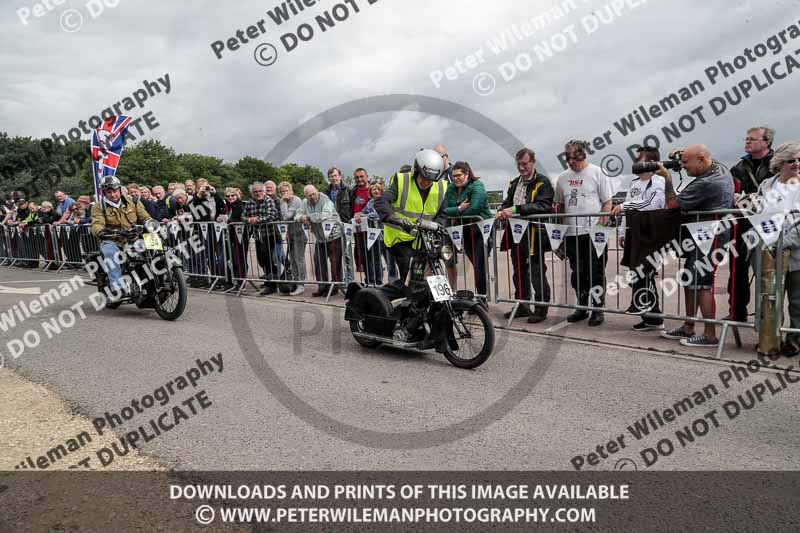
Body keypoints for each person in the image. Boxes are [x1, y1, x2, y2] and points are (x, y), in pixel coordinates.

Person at [661, 144, 735, 347]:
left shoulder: (707, 183)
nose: (683, 167)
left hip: (708, 239)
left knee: (702, 284)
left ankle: (710, 335)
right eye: (681, 162)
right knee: (690, 280)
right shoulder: (720, 168)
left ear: (701, 159)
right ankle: (688, 326)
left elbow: (672, 204)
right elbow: (701, 157)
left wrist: (667, 178)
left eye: (686, 163)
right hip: (705, 236)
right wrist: (682, 154)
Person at [555, 140, 613, 326]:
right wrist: (561, 231)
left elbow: (607, 202)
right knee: (577, 272)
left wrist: (601, 226)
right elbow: (561, 205)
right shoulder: (562, 178)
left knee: (595, 272)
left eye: (575, 158)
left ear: (583, 155)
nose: (572, 162)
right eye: (568, 158)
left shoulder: (597, 172)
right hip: (573, 234)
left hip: (594, 234)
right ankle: (581, 306)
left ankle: (597, 308)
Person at [497, 148, 555, 323]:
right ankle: (522, 305)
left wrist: (516, 209)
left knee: (537, 272)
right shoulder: (514, 183)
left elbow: (544, 205)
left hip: (534, 235)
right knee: (518, 271)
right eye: (519, 164)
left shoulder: (543, 182)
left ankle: (541, 308)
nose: (521, 167)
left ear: (533, 163)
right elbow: (507, 203)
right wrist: (502, 210)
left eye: (525, 164)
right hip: (515, 234)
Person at [612, 146, 667, 331]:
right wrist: (622, 233)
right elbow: (627, 213)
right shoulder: (635, 184)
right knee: (636, 273)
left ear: (650, 162)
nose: (635, 163)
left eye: (639, 160)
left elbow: (651, 203)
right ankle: (646, 313)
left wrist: (624, 205)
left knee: (646, 273)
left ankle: (654, 316)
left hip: (649, 234)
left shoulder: (659, 181)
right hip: (633, 233)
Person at [726, 126, 776, 323]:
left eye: (752, 139)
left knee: (767, 272)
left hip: (769, 226)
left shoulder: (778, 164)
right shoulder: (738, 167)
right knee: (737, 271)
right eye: (746, 138)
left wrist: (746, 197)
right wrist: (741, 198)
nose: (747, 142)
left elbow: (773, 194)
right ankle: (737, 312)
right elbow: (730, 193)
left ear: (766, 142)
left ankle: (768, 318)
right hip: (742, 225)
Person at [374, 149, 448, 281]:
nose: (426, 183)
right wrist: (395, 218)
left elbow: (442, 213)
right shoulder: (402, 180)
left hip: (423, 239)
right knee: (408, 269)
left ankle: (426, 298)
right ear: (416, 171)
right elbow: (382, 201)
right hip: (400, 237)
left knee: (428, 270)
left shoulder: (442, 187)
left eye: (431, 180)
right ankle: (395, 296)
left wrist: (439, 225)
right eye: (424, 178)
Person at [755, 142, 800, 356]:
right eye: (792, 160)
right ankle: (770, 340)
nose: (797, 164)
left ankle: (794, 340)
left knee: (797, 300)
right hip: (769, 250)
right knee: (771, 298)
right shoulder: (767, 185)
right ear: (780, 163)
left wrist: (783, 242)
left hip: (796, 251)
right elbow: (759, 214)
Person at [90, 176, 152, 301]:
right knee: (109, 252)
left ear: (119, 189)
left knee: (151, 249)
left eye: (115, 190)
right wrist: (101, 231)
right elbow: (96, 223)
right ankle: (118, 288)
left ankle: (153, 283)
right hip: (112, 239)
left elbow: (145, 216)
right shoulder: (99, 206)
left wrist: (151, 222)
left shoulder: (133, 201)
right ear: (104, 192)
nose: (113, 194)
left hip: (133, 238)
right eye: (109, 192)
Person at [443, 161, 492, 303]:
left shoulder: (477, 185)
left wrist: (455, 211)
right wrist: (459, 209)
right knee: (477, 265)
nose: (455, 178)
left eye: (459, 175)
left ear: (467, 174)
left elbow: (475, 208)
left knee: (479, 266)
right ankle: (480, 298)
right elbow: (445, 209)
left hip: (482, 231)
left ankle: (482, 300)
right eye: (453, 176)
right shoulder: (451, 188)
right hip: (465, 231)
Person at [294, 185, 343, 297]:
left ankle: (334, 287)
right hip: (320, 238)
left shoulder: (326, 200)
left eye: (313, 194)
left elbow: (326, 215)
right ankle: (322, 287)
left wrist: (309, 217)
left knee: (335, 264)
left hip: (334, 236)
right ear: (305, 196)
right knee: (319, 263)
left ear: (317, 192)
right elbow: (297, 214)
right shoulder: (305, 202)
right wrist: (301, 218)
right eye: (309, 195)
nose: (312, 197)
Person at [244, 182, 280, 295]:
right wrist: (248, 220)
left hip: (270, 234)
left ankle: (272, 284)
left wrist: (256, 219)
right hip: (258, 236)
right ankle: (269, 279)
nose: (258, 193)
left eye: (260, 191)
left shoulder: (268, 201)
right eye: (255, 192)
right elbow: (243, 215)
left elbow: (271, 216)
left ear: (264, 191)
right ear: (252, 193)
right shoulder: (250, 203)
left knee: (267, 257)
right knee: (261, 259)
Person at [352, 167, 382, 285]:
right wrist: (358, 214)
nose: (359, 179)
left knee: (375, 259)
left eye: (361, 176)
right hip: (360, 230)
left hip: (375, 231)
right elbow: (363, 210)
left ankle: (378, 282)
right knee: (365, 259)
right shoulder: (353, 192)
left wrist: (366, 216)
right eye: (357, 177)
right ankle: (369, 281)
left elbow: (379, 212)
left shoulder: (378, 194)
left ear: (367, 177)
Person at [279, 181, 307, 296]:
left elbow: (286, 217)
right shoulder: (283, 201)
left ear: (291, 191)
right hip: (291, 233)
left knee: (298, 259)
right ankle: (296, 281)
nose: (285, 193)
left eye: (287, 191)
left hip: (300, 233)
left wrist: (284, 203)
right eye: (282, 192)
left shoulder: (296, 200)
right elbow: (282, 217)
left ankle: (301, 284)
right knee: (293, 259)